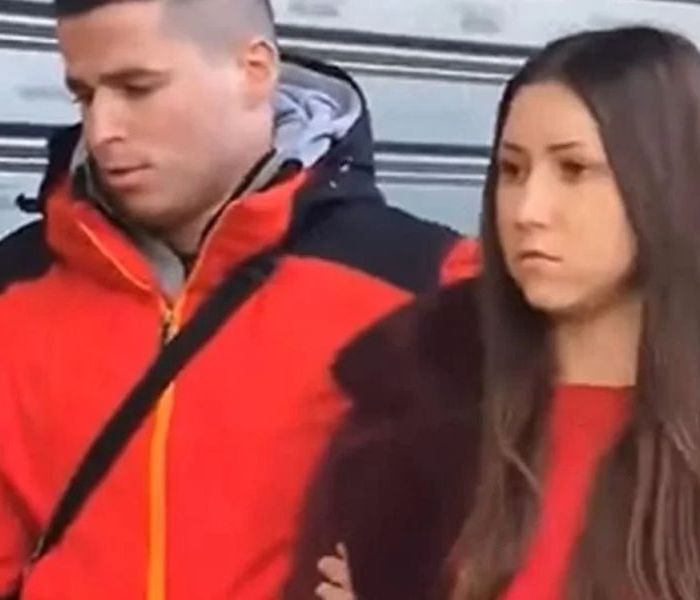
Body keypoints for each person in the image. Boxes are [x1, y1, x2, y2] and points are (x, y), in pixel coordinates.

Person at [0, 0, 474, 598]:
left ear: (254, 70)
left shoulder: (430, 288)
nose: (102, 130)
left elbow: (504, 554)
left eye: (137, 88)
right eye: (84, 96)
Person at [289, 25, 700, 600]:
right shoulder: (414, 406)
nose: (527, 210)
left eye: (574, 169)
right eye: (511, 170)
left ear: (669, 181)